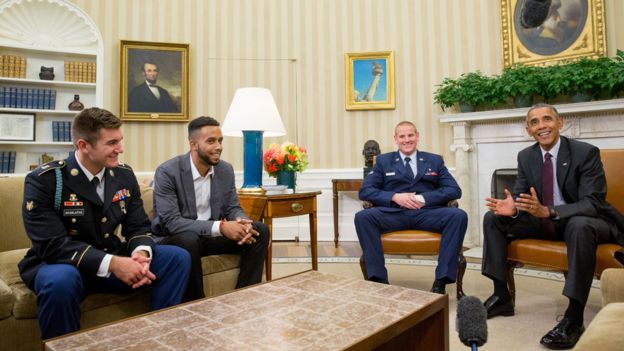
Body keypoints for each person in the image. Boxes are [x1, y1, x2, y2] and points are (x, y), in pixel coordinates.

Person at [18, 107, 190, 339]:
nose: (120, 149)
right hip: (63, 264)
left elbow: (138, 226)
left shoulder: (124, 175)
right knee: (60, 283)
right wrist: (115, 264)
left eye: (120, 141)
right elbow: (52, 244)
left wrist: (141, 254)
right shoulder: (46, 181)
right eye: (111, 143)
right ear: (83, 146)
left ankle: (157, 338)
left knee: (177, 258)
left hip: (111, 254)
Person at [482, 103, 624, 349]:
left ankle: (573, 316)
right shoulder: (526, 156)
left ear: (560, 123)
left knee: (579, 225)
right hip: (545, 219)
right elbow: (523, 195)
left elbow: (593, 202)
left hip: (587, 221)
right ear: (528, 130)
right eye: (534, 122)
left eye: (547, 119)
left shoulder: (585, 152)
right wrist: (514, 208)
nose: (541, 126)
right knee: (493, 218)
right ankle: (501, 295)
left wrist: (551, 211)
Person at [151, 116, 270, 301]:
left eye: (220, 140)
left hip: (210, 237)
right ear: (193, 144)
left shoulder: (225, 170)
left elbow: (232, 207)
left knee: (259, 231)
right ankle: (198, 304)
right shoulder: (168, 172)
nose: (219, 146)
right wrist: (222, 227)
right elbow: (172, 222)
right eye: (211, 141)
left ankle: (245, 297)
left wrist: (242, 222)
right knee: (188, 240)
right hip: (177, 238)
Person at [355, 121, 467, 294]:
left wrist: (424, 198)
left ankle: (441, 281)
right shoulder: (384, 161)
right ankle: (378, 280)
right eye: (402, 136)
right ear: (396, 139)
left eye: (410, 135)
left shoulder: (434, 160)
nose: (406, 140)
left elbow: (454, 190)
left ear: (417, 136)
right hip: (394, 214)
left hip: (427, 213)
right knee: (363, 217)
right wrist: (394, 197)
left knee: (458, 215)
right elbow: (366, 191)